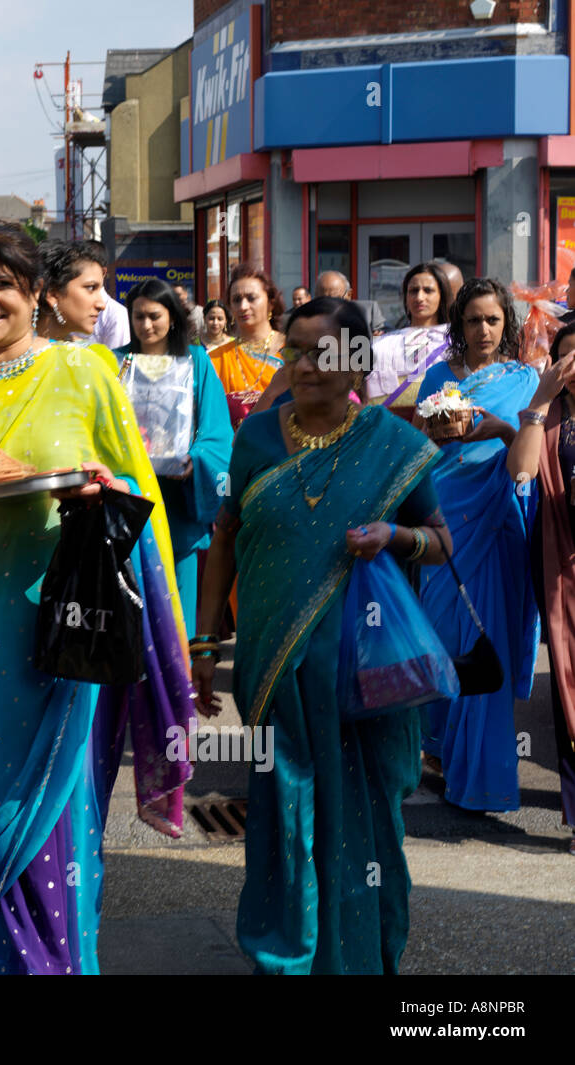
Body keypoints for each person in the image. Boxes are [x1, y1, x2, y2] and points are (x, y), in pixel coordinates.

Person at [0, 222, 191, 973]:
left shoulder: (85, 372)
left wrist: (103, 491)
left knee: (60, 814)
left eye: (4, 285)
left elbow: (135, 495)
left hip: (63, 625)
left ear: (36, 293)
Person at [194, 296, 451, 973]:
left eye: (323, 351)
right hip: (275, 665)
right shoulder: (255, 437)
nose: (305, 365)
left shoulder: (391, 443)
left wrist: (394, 535)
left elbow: (441, 542)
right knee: (282, 810)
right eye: (295, 350)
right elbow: (224, 538)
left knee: (363, 821)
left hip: (363, 676)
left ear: (357, 360)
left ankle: (360, 951)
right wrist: (203, 642)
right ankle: (289, 952)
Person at [416, 278, 540, 812]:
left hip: (497, 519)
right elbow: (419, 446)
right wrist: (437, 431)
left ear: (505, 325)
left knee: (487, 636)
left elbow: (531, 450)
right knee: (443, 634)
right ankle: (438, 751)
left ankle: (482, 775)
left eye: (492, 320)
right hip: (446, 516)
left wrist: (500, 431)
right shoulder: (437, 377)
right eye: (473, 320)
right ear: (458, 326)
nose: (483, 330)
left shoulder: (524, 379)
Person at [117, 278, 232, 639]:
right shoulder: (117, 362)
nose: (146, 325)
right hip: (129, 493)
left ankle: (179, 682)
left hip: (179, 498)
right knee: (131, 599)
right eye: (138, 317)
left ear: (172, 317)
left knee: (177, 606)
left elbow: (217, 430)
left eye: (154, 316)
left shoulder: (196, 360)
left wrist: (195, 461)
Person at [506, 323, 575, 852]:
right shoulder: (548, 417)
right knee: (569, 690)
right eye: (566, 359)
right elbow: (521, 469)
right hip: (561, 568)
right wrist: (540, 400)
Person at [366, 262, 452, 420]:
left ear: (442, 295)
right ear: (405, 297)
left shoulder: (456, 342)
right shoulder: (382, 344)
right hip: (388, 429)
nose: (419, 297)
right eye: (413, 291)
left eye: (428, 290)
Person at [206, 262, 286, 428]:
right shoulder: (216, 359)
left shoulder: (291, 350)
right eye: (236, 300)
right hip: (233, 449)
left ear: (271, 302)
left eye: (251, 298)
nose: (243, 306)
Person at [35, 239, 108, 344]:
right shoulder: (13, 356)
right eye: (91, 288)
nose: (102, 305)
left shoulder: (91, 356)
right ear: (53, 295)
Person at [316, 270, 386, 336]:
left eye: (335, 299)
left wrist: (377, 339)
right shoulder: (309, 320)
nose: (329, 304)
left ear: (349, 295)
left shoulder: (368, 311)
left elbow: (386, 335)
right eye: (323, 300)